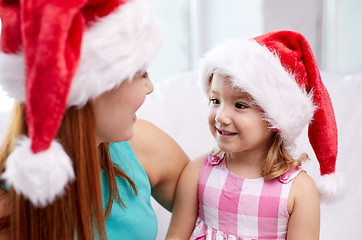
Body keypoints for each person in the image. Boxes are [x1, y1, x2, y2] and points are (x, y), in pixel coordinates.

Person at [0, 0, 189, 239]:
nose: (150, 88)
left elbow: (220, 207)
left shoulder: (143, 145)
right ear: (93, 89)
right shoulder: (7, 210)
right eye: (142, 74)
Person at [166, 31, 342, 240]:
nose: (221, 116)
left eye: (240, 105)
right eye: (215, 100)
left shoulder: (299, 191)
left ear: (274, 117)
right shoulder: (197, 172)